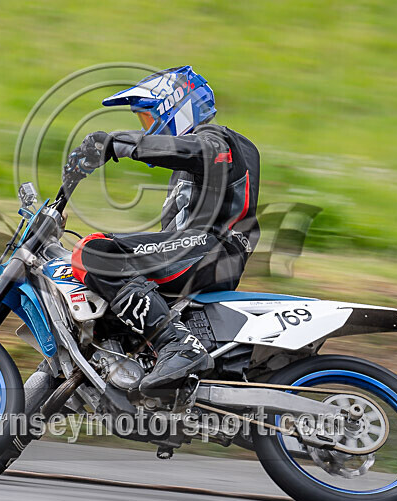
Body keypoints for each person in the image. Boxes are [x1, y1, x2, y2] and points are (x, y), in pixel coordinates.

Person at [63, 65, 261, 398]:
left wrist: (116, 143)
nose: (147, 127)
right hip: (196, 251)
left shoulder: (218, 141)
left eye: (148, 118)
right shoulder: (187, 169)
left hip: (211, 249)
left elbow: (193, 151)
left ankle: (178, 345)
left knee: (94, 253)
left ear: (179, 108)